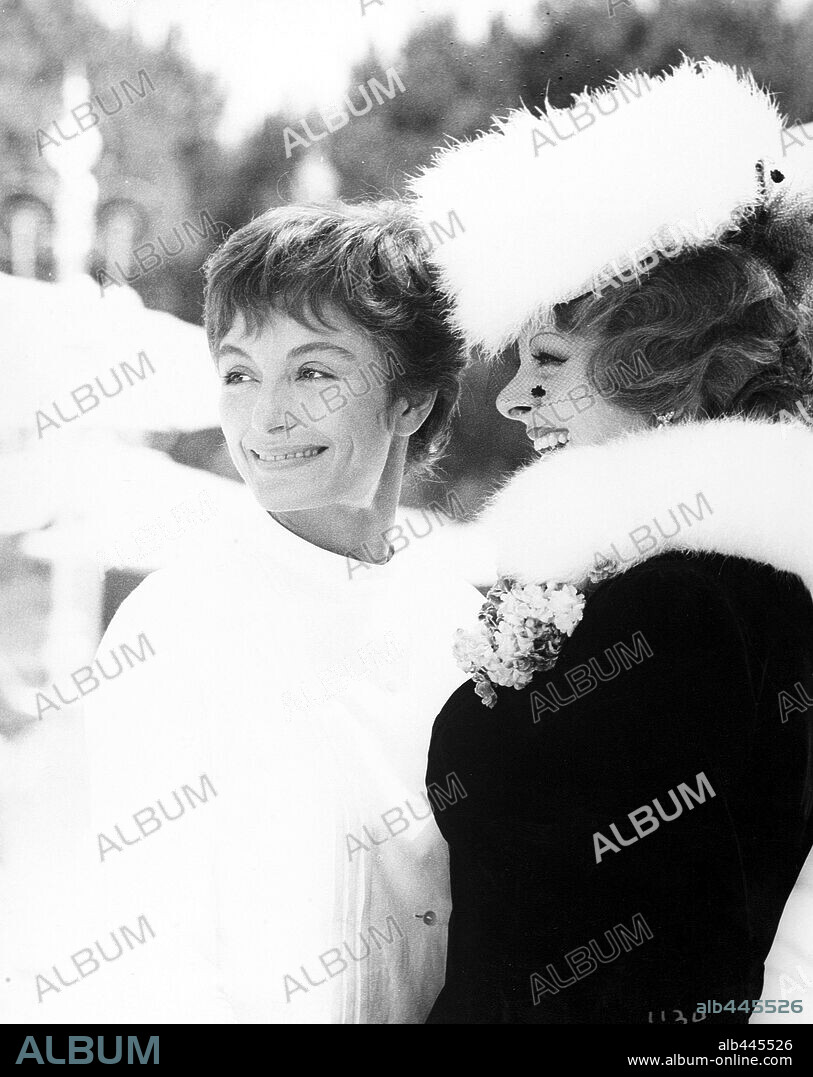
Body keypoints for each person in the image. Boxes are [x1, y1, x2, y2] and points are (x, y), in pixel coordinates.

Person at [5, 202, 481, 1025]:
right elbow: (160, 961)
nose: (264, 418)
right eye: (238, 372)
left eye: (314, 371)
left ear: (412, 400)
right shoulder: (175, 625)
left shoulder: (474, 602)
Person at [411, 58, 813, 1023]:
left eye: (549, 359)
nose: (510, 399)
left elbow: (679, 976)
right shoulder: (713, 583)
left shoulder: (688, 602)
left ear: (667, 365)